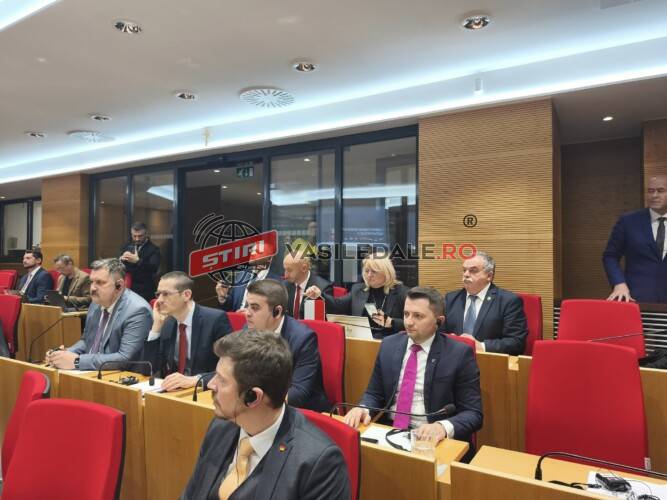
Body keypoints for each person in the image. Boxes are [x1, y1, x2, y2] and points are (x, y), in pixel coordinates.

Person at [181, 329, 350, 500]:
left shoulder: (319, 464)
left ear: (253, 397)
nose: (211, 384)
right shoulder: (220, 427)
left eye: (222, 380)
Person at [344, 287, 482, 459]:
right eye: (406, 314)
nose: (409, 322)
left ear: (439, 321)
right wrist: (363, 408)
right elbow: (374, 393)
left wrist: (442, 426)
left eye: (418, 316)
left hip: (431, 440)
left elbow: (473, 413)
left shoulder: (459, 354)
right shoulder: (389, 345)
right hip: (388, 432)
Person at [46, 258, 152, 370]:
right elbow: (86, 341)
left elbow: (125, 358)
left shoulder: (137, 311)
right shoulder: (96, 303)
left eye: (100, 282)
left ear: (119, 285)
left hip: (119, 374)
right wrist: (63, 354)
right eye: (92, 281)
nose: (92, 288)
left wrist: (77, 362)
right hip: (92, 372)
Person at [244, 279, 330, 412]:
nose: (247, 313)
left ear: (277, 312)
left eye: (255, 308)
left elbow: (298, 394)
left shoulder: (303, 339)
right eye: (247, 306)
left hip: (302, 412)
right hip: (259, 405)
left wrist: (257, 403)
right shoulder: (249, 329)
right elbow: (235, 368)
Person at [147, 271, 232, 392]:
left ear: (186, 295)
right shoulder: (167, 323)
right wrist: (156, 327)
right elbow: (150, 367)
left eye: (165, 294)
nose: (159, 300)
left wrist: (195, 380)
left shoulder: (215, 320)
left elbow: (231, 366)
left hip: (203, 391)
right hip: (172, 390)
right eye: (158, 294)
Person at [440, 251, 527, 355]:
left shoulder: (508, 301)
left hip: (489, 361)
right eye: (464, 270)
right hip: (454, 358)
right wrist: (447, 339)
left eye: (473, 271)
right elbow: (439, 333)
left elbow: (516, 342)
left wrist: (482, 346)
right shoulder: (451, 299)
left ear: (489, 275)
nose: (466, 274)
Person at [305, 253, 409, 338]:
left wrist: (392, 322)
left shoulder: (401, 293)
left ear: (386, 273)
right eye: (367, 271)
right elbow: (338, 305)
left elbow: (413, 322)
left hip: (390, 343)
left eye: (374, 271)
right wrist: (320, 295)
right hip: (361, 342)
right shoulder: (358, 290)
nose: (369, 275)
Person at [603, 174, 667, 303]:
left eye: (660, 191)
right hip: (636, 297)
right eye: (650, 191)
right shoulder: (628, 221)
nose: (654, 195)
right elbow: (610, 256)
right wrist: (619, 283)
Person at [216, 256, 280, 312]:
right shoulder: (242, 274)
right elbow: (230, 307)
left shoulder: (277, 283)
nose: (252, 254)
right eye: (252, 251)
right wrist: (223, 297)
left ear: (269, 258)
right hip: (236, 318)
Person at [282, 251, 332, 319]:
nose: (285, 275)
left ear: (304, 268)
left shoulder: (322, 288)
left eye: (289, 270)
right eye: (285, 269)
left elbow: (321, 322)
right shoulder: (284, 286)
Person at [120, 221, 161, 303]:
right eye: (134, 236)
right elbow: (121, 266)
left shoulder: (154, 249)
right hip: (127, 288)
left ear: (146, 234)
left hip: (144, 291)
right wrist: (121, 260)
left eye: (140, 236)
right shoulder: (126, 246)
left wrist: (138, 261)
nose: (137, 239)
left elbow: (154, 268)